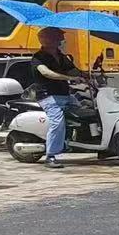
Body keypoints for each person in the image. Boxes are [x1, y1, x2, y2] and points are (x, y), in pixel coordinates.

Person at [32, 26, 82, 170]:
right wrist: (68, 78)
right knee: (57, 121)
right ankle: (50, 156)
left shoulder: (61, 56)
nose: (62, 39)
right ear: (48, 39)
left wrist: (85, 74)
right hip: (48, 96)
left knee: (86, 111)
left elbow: (73, 69)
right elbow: (47, 73)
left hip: (64, 94)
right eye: (58, 37)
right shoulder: (38, 58)